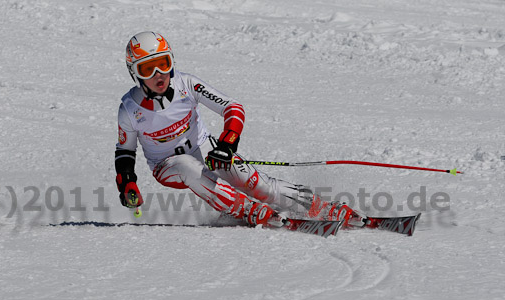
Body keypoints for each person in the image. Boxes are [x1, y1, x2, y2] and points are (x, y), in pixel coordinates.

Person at [115, 31, 362, 228]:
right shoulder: (129, 109)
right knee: (186, 166)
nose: (159, 74)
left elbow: (232, 107)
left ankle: (322, 208)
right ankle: (249, 210)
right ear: (134, 74)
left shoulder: (186, 84)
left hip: (206, 149)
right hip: (166, 166)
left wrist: (227, 144)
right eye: (148, 69)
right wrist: (127, 182)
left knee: (257, 184)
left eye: (163, 64)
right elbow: (125, 151)